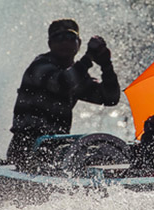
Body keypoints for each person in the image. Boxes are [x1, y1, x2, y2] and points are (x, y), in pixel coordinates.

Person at [6, 19, 120, 167]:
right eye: (58, 38)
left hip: (55, 150)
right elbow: (63, 83)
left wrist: (106, 65)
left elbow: (110, 98)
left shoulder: (77, 76)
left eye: (70, 37)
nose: (65, 43)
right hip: (25, 147)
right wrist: (88, 58)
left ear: (78, 43)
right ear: (50, 44)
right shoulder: (39, 67)